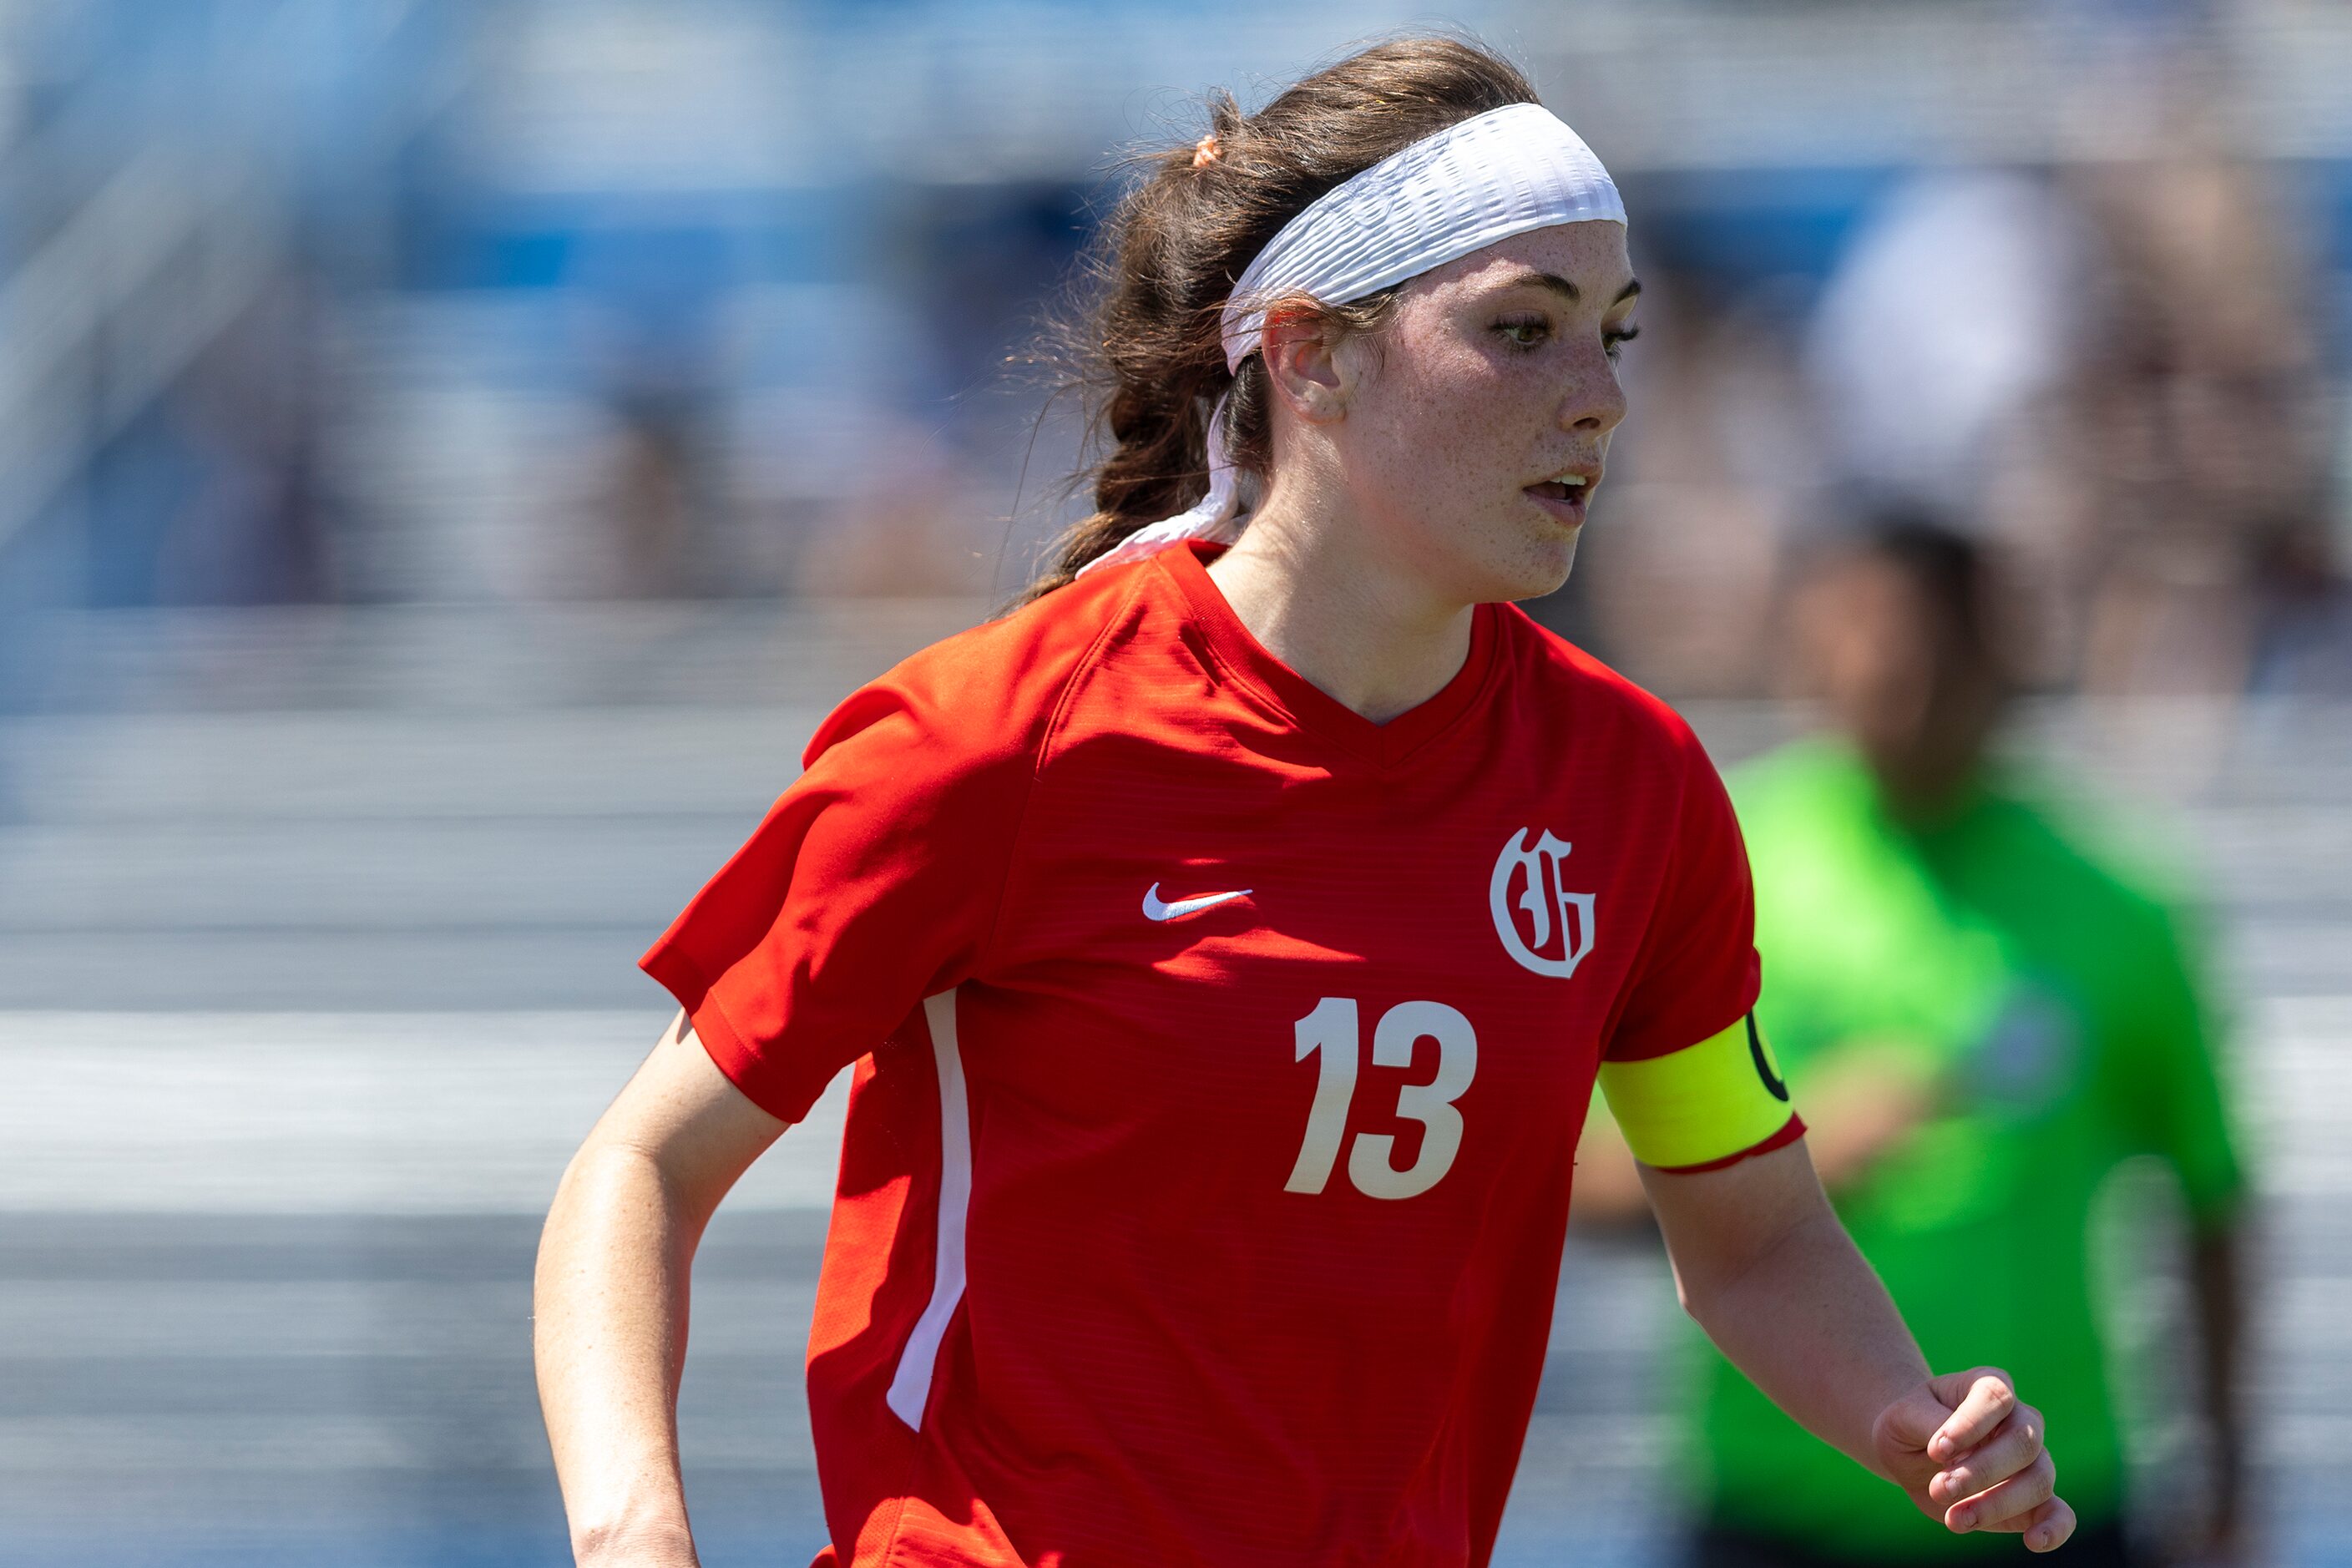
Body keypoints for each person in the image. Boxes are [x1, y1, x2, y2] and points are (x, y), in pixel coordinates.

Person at [534, 40, 2076, 1567]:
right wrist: (631, 1532)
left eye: (1614, 331)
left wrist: (1900, 1408)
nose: (1599, 396)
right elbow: (638, 1168)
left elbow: (1751, 1234)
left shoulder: (1633, 788)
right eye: (1521, 329)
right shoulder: (995, 738)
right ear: (1305, 351)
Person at [1580, 518, 2248, 1565]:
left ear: (2000, 656)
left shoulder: (2118, 902)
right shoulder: (1723, 867)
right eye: (1858, 642)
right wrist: (1779, 1167)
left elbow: (2211, 1196)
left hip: (2051, 1499)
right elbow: (1578, 1180)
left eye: (1924, 646)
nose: (1891, 676)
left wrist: (2230, 1472)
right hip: (1784, 1498)